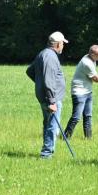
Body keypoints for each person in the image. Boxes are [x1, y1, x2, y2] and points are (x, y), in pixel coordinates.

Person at [26, 31, 68, 159]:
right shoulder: (50, 56)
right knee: (52, 126)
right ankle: (46, 153)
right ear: (57, 44)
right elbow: (49, 80)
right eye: (62, 44)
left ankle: (47, 150)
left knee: (48, 123)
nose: (63, 46)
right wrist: (52, 101)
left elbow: (30, 71)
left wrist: (39, 83)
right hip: (51, 98)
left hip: (45, 96)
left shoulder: (43, 53)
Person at [64, 45, 98, 139]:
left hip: (88, 91)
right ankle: (66, 137)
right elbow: (97, 79)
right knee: (76, 117)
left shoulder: (91, 58)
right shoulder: (86, 63)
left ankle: (88, 138)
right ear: (92, 54)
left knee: (88, 116)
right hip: (79, 92)